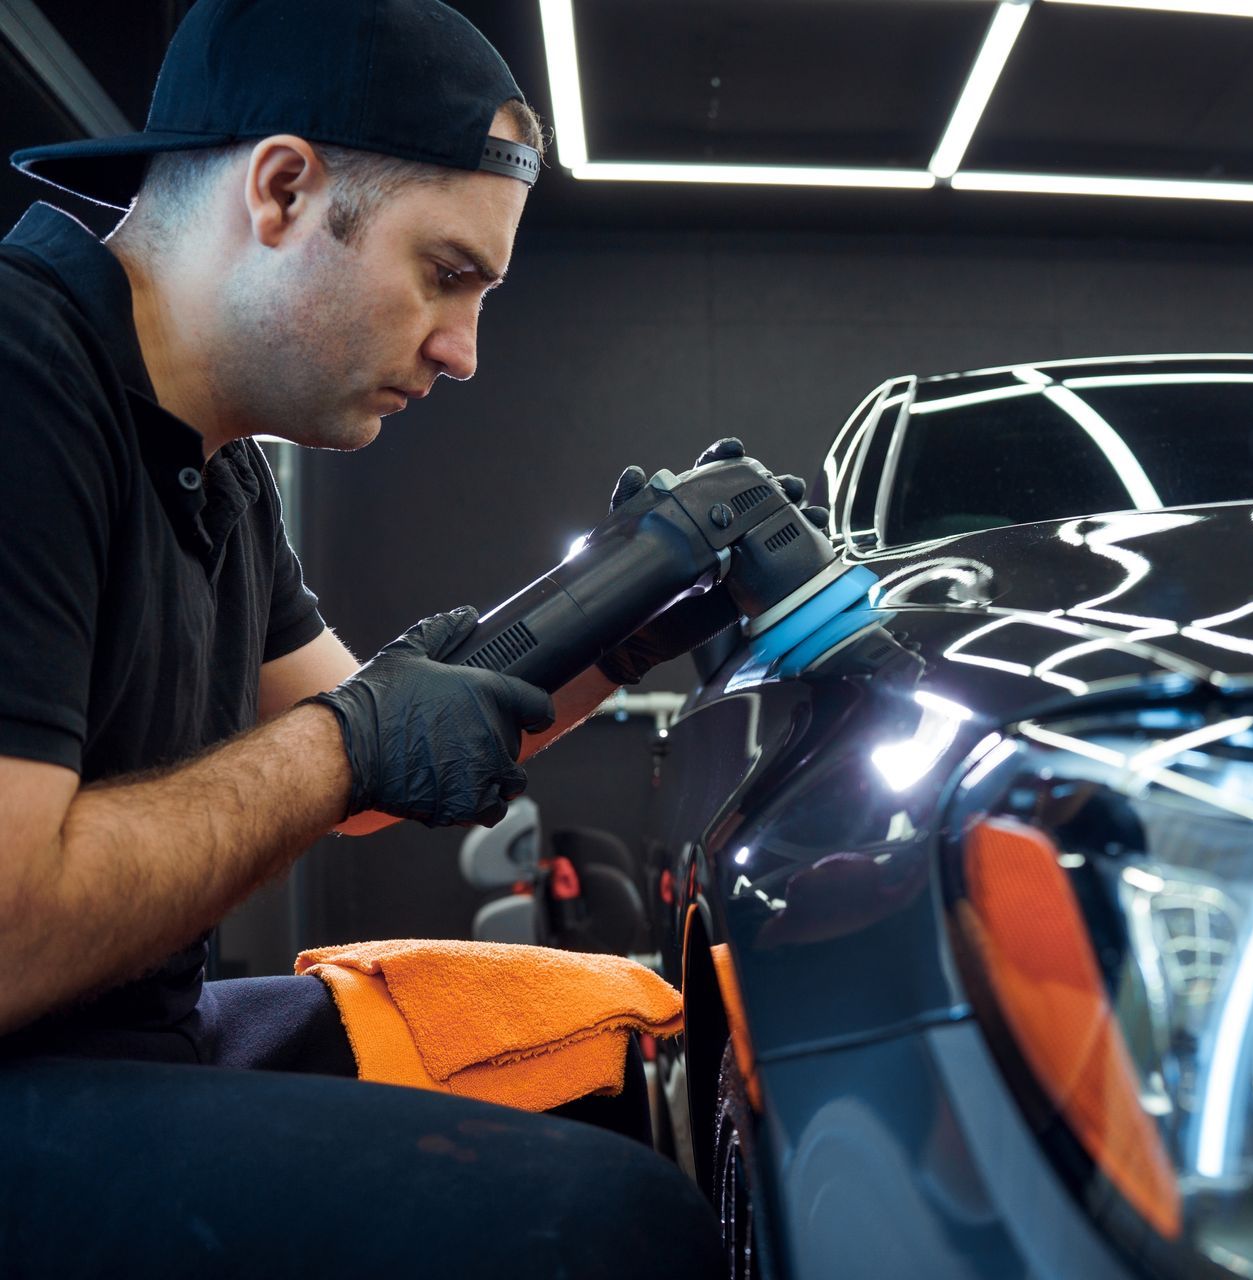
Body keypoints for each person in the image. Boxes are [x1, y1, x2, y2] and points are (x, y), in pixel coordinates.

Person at [0, 1, 743, 1273]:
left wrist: (633, 616)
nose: (460, 352)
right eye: (445, 275)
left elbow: (369, 768)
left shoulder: (215, 452)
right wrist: (351, 742)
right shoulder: (24, 377)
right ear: (282, 189)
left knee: (624, 1053)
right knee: (609, 1228)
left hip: (139, 1040)